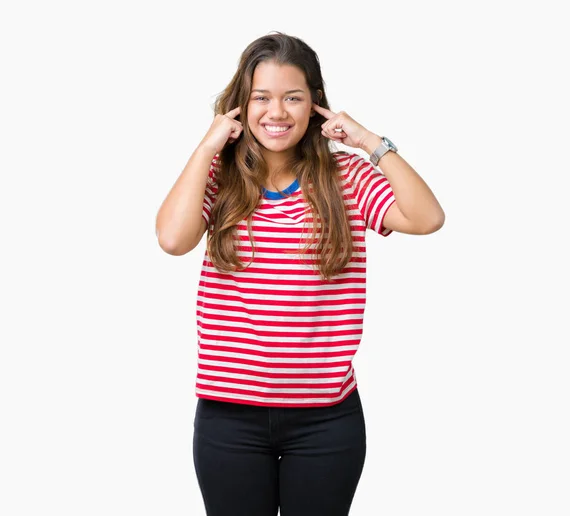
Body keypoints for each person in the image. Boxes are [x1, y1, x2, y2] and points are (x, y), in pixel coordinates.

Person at [155, 31, 445, 516]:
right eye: (261, 98)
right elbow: (172, 239)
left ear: (315, 105)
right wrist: (206, 148)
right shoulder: (219, 176)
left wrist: (371, 142)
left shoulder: (347, 178)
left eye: (293, 97)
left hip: (326, 421)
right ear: (240, 108)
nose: (277, 112)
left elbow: (426, 218)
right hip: (230, 420)